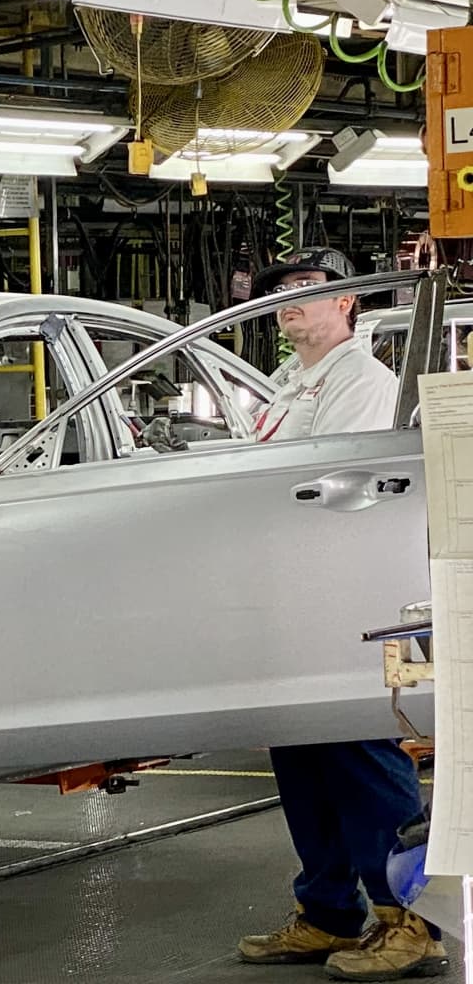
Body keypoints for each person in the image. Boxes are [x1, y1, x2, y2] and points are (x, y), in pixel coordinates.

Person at [233, 247, 447, 982]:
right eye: (279, 290)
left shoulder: (361, 382)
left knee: (360, 753)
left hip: (349, 594)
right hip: (293, 592)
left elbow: (325, 481)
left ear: (347, 301)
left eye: (306, 288)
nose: (289, 300)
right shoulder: (288, 384)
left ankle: (412, 921)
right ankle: (327, 913)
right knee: (300, 753)